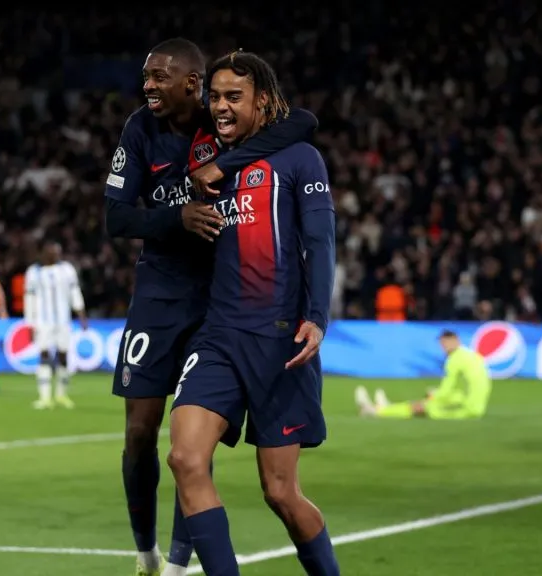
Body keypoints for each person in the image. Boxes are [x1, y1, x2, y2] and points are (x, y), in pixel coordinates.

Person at [104, 38, 319, 576]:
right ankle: (145, 549)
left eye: (159, 77)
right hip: (159, 292)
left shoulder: (220, 120)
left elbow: (302, 123)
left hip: (215, 296)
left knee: (192, 442)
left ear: (190, 84)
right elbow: (116, 218)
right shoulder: (139, 129)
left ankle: (179, 563)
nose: (148, 86)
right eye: (146, 76)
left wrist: (223, 167)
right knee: (138, 432)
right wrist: (175, 219)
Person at [167, 50, 339, 576]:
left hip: (280, 341)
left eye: (233, 97)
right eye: (215, 96)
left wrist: (318, 316)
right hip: (219, 337)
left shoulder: (300, 159)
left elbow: (320, 239)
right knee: (184, 458)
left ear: (262, 102)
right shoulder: (202, 161)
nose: (220, 106)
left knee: (281, 492)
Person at [355, 330, 492, 420]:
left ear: (456, 341)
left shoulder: (454, 359)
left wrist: (434, 395)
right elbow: (478, 383)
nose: (443, 346)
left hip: (465, 409)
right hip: (473, 404)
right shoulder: (471, 355)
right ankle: (386, 407)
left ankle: (376, 411)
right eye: (442, 343)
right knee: (429, 402)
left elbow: (447, 388)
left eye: (445, 342)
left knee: (423, 406)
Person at [24, 240, 88, 410]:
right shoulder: (33, 272)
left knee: (63, 356)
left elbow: (75, 292)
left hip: (63, 320)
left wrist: (81, 313)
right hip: (43, 322)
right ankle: (44, 397)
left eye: (58, 251)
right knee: (44, 355)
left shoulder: (67, 270)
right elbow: (29, 299)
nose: (56, 254)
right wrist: (29, 324)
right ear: (44, 253)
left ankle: (61, 394)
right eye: (52, 251)